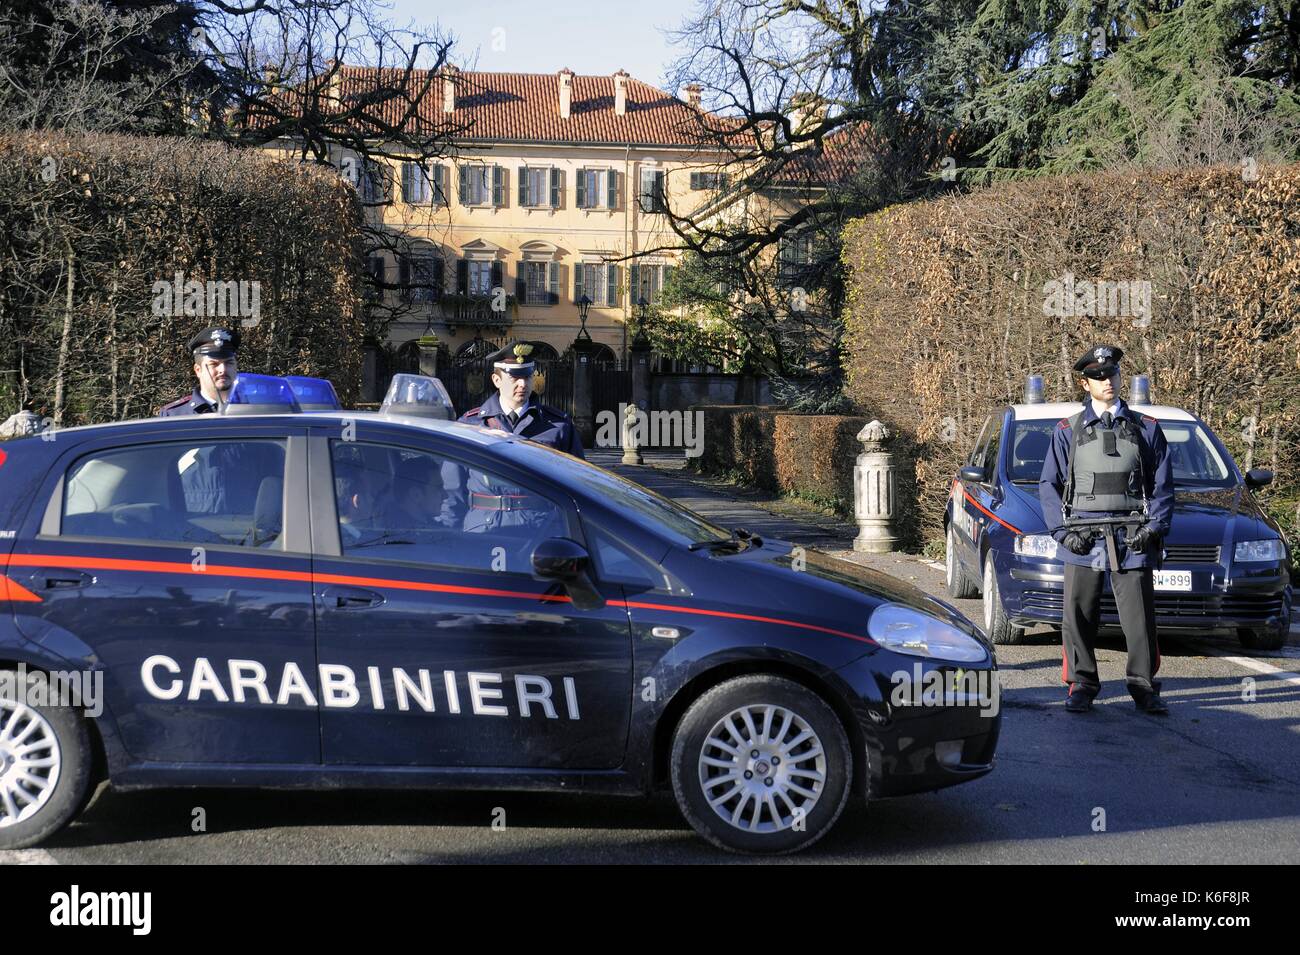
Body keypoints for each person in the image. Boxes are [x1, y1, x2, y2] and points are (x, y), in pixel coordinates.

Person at [1038, 344, 1175, 715]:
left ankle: (1144, 686)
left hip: (1133, 534)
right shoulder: (1068, 430)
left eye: (1112, 374)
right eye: (1098, 377)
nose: (1107, 382)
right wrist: (1062, 533)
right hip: (1083, 534)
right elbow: (1048, 485)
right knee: (1078, 614)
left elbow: (1163, 486)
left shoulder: (1146, 429)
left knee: (1139, 618)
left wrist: (1154, 528)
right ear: (1086, 384)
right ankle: (1082, 683)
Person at [441, 342, 580, 540]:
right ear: (496, 380)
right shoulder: (470, 426)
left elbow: (577, 487)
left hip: (541, 531)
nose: (523, 384)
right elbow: (453, 491)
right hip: (483, 531)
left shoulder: (558, 426)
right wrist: (448, 539)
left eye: (527, 376)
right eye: (514, 377)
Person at [158, 327, 240, 416]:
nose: (223, 369)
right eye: (214, 364)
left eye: (229, 363)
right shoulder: (174, 415)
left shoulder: (252, 408)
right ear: (198, 370)